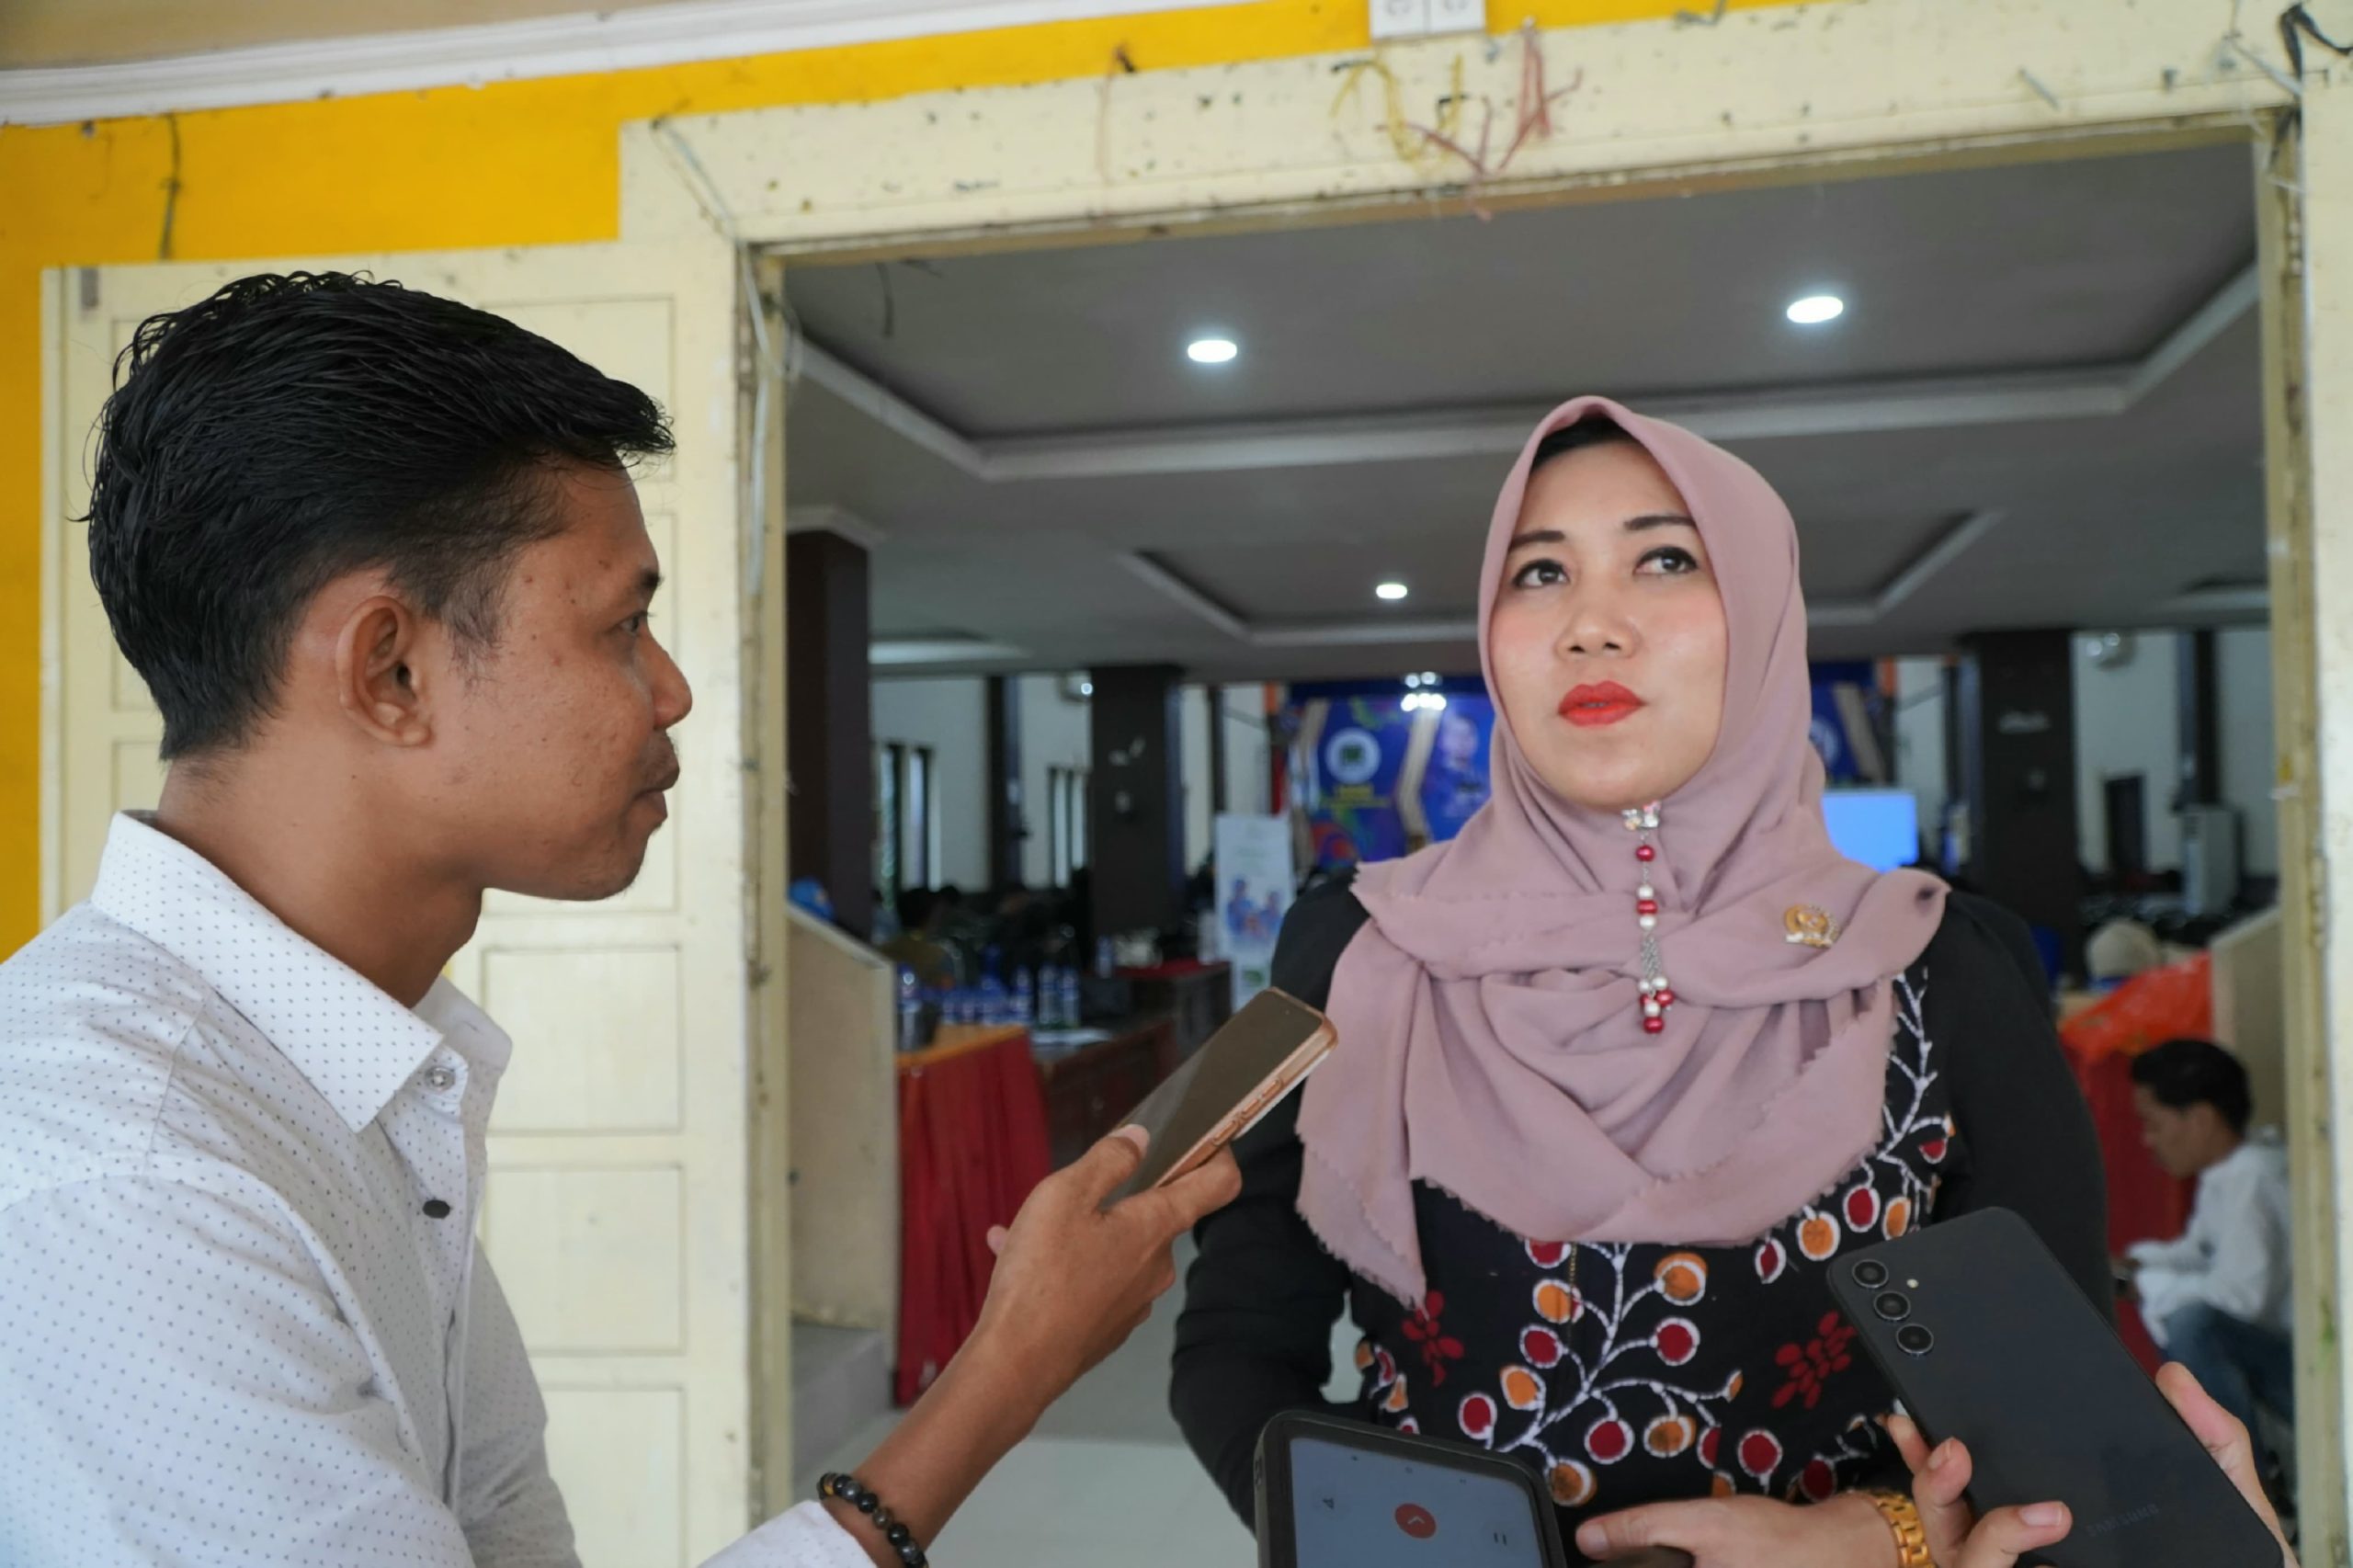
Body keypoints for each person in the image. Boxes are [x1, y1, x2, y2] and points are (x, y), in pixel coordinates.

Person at [0, 271, 1241, 1568]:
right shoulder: (127, 1177)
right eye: (623, 626)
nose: (673, 689)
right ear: (391, 668)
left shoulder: (348, 1070)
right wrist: (1008, 1368)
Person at [1171, 398, 2111, 1568]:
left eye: (1664, 559)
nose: (1589, 627)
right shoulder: (1360, 946)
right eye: (1540, 573)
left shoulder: (1931, 964)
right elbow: (1234, 1342)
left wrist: (1876, 1533)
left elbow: (2066, 1410)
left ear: (1760, 612)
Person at [2123, 1037, 2295, 1449]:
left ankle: (2239, 1472)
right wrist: (2136, 1266)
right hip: (2275, 1359)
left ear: (2200, 1119)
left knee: (2193, 1324)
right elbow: (2199, 1254)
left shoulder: (2252, 1176)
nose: (2148, 1140)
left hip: (2302, 1372)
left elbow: (2239, 1297)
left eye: (2154, 1124)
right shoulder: (2227, 1173)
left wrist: (2148, 1284)